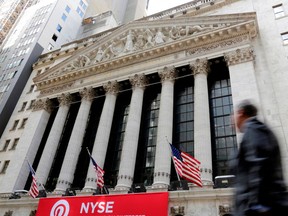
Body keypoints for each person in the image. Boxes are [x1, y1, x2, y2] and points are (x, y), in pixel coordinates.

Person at [232, 100, 288, 216]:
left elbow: (259, 166)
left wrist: (257, 206)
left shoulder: (253, 129)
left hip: (260, 206)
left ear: (241, 113)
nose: (232, 119)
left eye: (234, 114)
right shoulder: (259, 129)